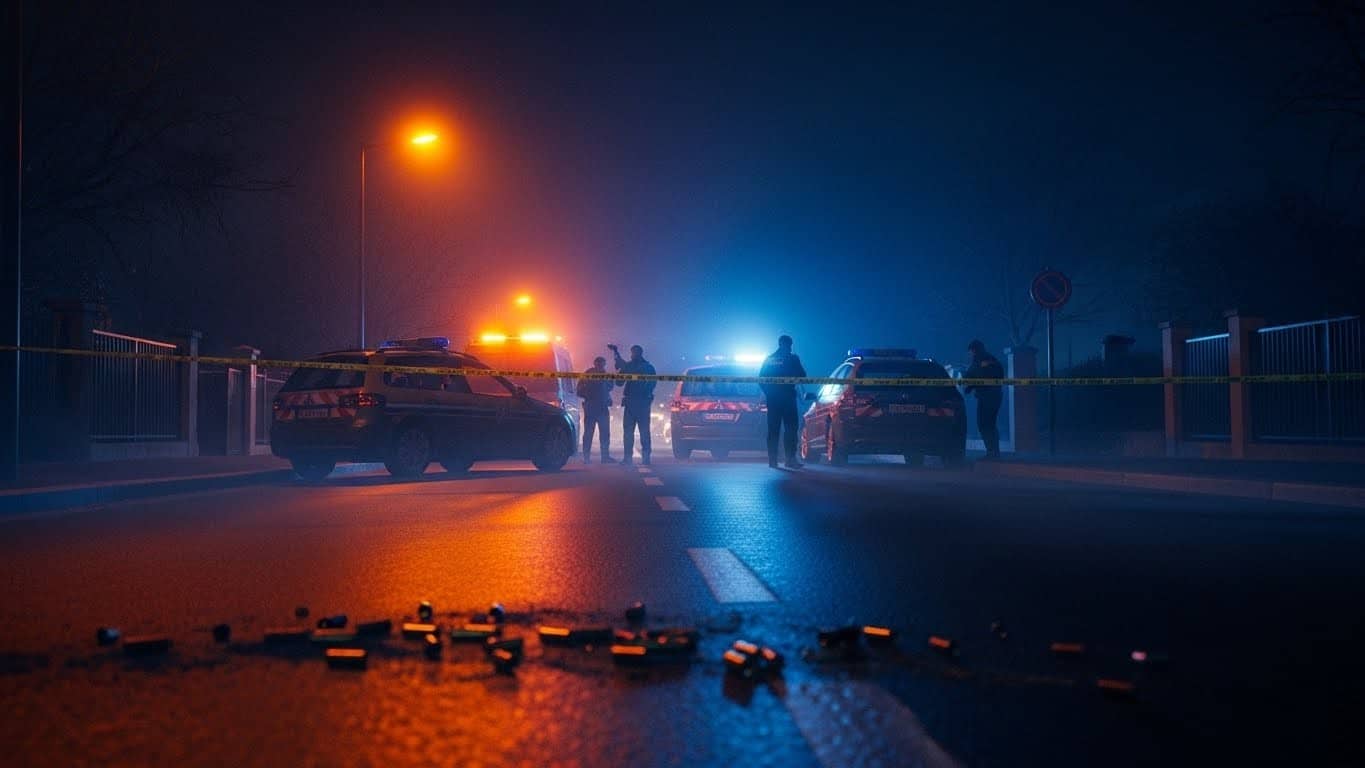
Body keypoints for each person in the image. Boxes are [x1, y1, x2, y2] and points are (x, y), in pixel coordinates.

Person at [759, 335, 807, 469]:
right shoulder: (793, 358)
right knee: (790, 429)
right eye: (789, 345)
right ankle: (790, 459)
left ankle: (773, 460)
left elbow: (761, 379)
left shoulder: (769, 359)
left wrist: (769, 393)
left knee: (773, 430)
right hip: (788, 399)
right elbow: (803, 375)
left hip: (773, 400)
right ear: (788, 345)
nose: (790, 348)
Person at [611, 343, 657, 466]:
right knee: (641, 432)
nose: (632, 355)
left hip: (634, 403)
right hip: (640, 403)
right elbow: (620, 382)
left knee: (631, 432)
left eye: (633, 353)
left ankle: (629, 458)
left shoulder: (632, 366)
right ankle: (643, 458)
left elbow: (619, 382)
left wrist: (621, 369)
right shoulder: (648, 367)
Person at [964, 339, 1004, 459]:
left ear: (975, 350)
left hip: (988, 396)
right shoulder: (990, 359)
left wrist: (969, 385)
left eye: (971, 352)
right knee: (989, 424)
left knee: (984, 424)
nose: (970, 355)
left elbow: (974, 375)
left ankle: (992, 452)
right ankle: (994, 452)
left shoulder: (981, 360)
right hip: (992, 395)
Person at [576, 356, 616, 464]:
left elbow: (609, 388)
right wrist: (590, 395)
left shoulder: (602, 375)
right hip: (594, 406)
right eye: (599, 363)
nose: (600, 365)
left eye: (602, 363)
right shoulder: (590, 374)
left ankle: (599, 457)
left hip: (598, 406)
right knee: (592, 432)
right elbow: (579, 389)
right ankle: (591, 457)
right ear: (595, 363)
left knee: (601, 433)